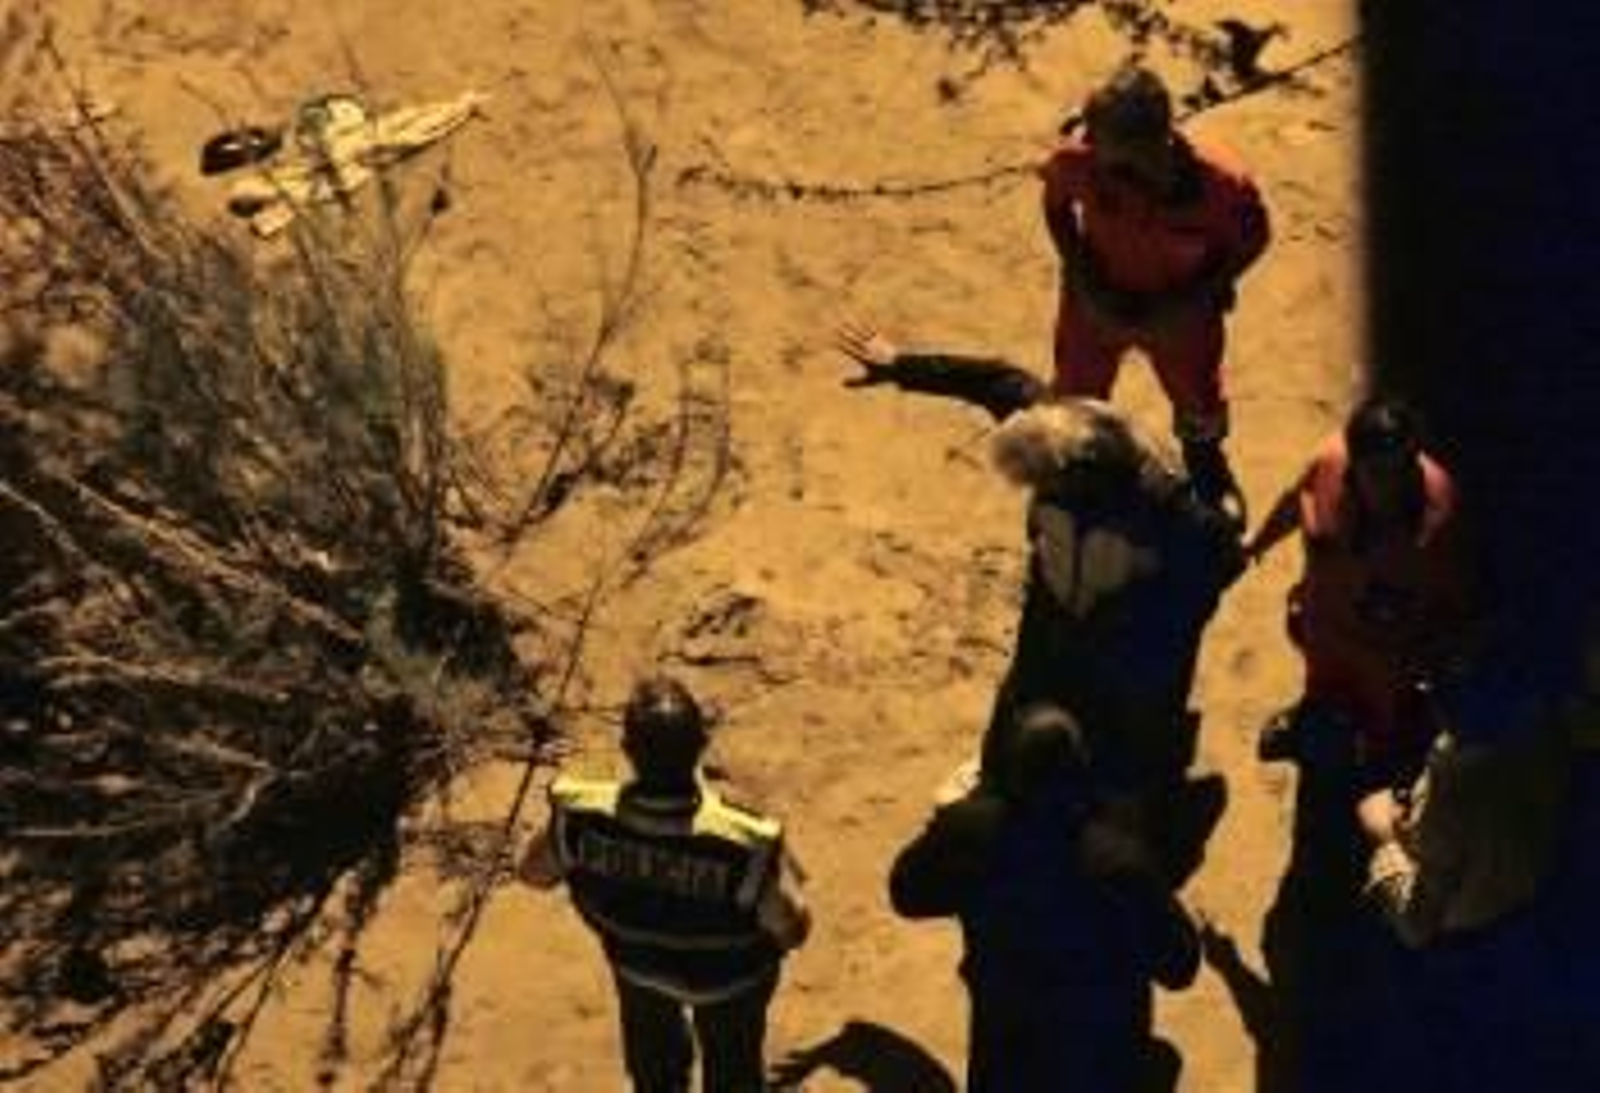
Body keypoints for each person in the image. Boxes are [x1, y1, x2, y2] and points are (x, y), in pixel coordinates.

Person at [836, 321, 1243, 795]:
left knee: (1131, 725)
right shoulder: (1050, 424)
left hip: (1128, 627)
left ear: (1078, 475)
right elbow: (994, 380)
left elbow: (1219, 566)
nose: (1037, 493)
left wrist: (1141, 620)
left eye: (1044, 485)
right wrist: (902, 367)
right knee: (1022, 692)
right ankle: (996, 769)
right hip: (1053, 602)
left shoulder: (1166, 507)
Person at [519, 676, 810, 1093]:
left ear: (628, 752)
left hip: (638, 967)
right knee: (733, 1070)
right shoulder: (743, 841)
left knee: (653, 1068)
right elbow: (791, 928)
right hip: (730, 983)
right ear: (700, 745)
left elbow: (533, 874)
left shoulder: (580, 818)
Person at [889, 704, 1199, 1092]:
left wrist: (951, 818)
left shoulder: (971, 834)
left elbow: (906, 894)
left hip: (1006, 1056)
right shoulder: (1119, 861)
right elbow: (1181, 966)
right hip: (1100, 1063)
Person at [1041, 64, 1272, 520]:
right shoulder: (1079, 161)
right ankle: (1078, 470)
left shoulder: (1222, 186)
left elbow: (1252, 240)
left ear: (1139, 148)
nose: (1084, 136)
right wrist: (1086, 280)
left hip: (1181, 320)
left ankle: (1206, 466)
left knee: (1198, 395)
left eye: (1098, 132)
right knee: (1077, 389)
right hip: (1095, 308)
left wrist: (1194, 298)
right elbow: (1056, 208)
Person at [1245, 397, 1475, 790]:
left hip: (1387, 652)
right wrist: (1256, 543)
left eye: (1398, 469)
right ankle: (1310, 724)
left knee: (1385, 723)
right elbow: (1294, 501)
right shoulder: (1331, 463)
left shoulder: (1440, 516)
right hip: (1325, 627)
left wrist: (1432, 657)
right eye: (1375, 472)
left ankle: (1379, 768)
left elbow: (1456, 601)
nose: (1387, 484)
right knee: (1320, 690)